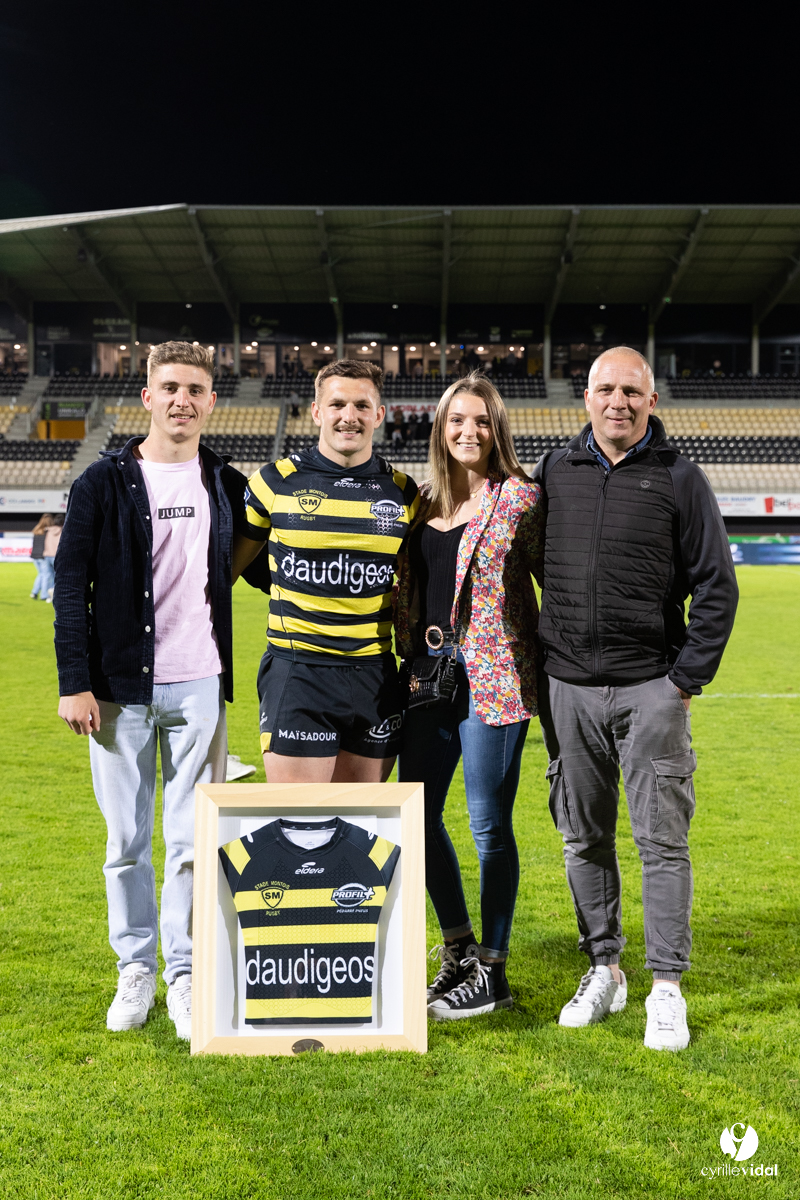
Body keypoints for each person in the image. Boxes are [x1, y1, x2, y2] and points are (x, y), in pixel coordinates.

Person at [534, 346, 738, 1051]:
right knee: (582, 837)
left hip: (652, 687)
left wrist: (684, 681)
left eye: (631, 391)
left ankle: (666, 987)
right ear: (585, 396)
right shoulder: (554, 470)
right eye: (605, 389)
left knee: (662, 843)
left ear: (652, 400)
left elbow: (717, 585)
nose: (617, 402)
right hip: (568, 688)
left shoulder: (680, 477)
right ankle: (604, 969)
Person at [54, 341, 247, 1041]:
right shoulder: (101, 482)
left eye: (195, 390)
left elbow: (261, 560)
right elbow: (70, 585)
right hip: (117, 689)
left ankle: (185, 971)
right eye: (169, 388)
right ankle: (134, 969)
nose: (181, 401)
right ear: (147, 396)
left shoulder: (225, 481)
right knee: (127, 841)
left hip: (201, 685)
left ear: (211, 402)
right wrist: (75, 683)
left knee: (193, 842)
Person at [396, 373, 543, 1020]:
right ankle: (457, 947)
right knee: (416, 818)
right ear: (440, 427)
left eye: (482, 420)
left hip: (494, 680)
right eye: (457, 419)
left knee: (487, 825)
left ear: (497, 428)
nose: (469, 431)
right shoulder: (421, 502)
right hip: (427, 679)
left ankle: (494, 972)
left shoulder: (520, 499)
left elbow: (558, 581)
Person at [233, 358, 419, 784]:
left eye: (361, 405)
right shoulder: (273, 482)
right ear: (317, 411)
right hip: (299, 673)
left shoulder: (403, 492)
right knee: (299, 817)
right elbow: (225, 571)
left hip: (374, 675)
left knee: (360, 818)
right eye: (337, 404)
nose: (349, 416)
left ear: (379, 414)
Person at [29, 513, 52, 599]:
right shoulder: (48, 531)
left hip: (35, 555)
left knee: (41, 574)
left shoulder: (36, 530)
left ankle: (34, 592)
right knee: (46, 575)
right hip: (43, 555)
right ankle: (44, 595)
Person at [41, 513, 63, 602]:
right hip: (56, 556)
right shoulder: (62, 531)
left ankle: (44, 595)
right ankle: (54, 592)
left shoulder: (48, 530)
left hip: (47, 555)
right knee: (57, 576)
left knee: (46, 575)